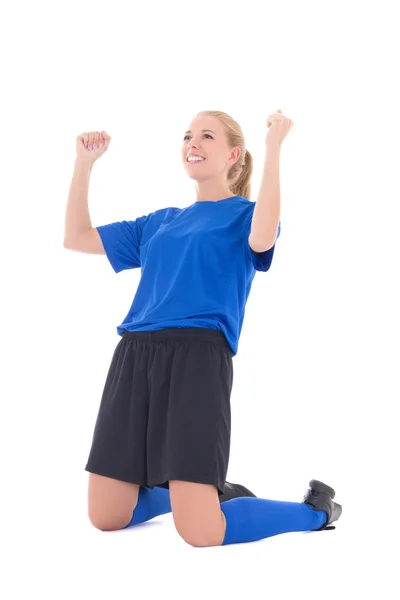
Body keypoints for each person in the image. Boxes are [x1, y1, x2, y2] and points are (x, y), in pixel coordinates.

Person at [63, 110, 342, 547]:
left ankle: (314, 512)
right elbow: (76, 237)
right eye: (187, 135)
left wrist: (272, 148)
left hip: (198, 356)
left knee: (202, 532)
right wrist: (84, 165)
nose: (192, 142)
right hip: (135, 355)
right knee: (107, 516)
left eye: (206, 135)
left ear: (233, 154)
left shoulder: (244, 215)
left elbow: (264, 237)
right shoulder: (159, 221)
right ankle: (194, 493)